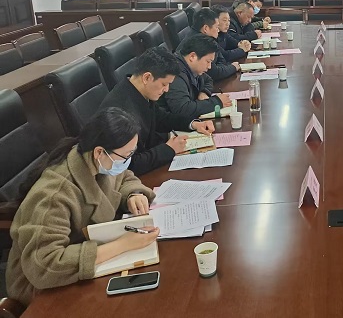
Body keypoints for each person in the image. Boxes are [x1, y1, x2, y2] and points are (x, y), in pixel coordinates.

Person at [7, 108, 159, 307]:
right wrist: (123, 244)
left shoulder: (95, 160)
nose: (127, 161)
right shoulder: (54, 195)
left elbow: (123, 177)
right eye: (126, 155)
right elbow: (45, 265)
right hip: (43, 287)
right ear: (99, 152)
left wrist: (134, 193)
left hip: (86, 256)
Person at [99, 47, 215, 175]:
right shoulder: (121, 112)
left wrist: (193, 124)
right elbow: (129, 165)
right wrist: (168, 149)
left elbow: (161, 118)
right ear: (147, 78)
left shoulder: (137, 90)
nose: (166, 90)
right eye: (164, 84)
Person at [159, 34, 233, 118]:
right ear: (192, 56)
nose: (209, 67)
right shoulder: (175, 73)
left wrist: (204, 92)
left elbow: (208, 80)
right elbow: (182, 109)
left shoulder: (192, 67)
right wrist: (217, 102)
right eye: (208, 61)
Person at [179, 7, 240, 81]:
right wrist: (233, 67)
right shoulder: (199, 42)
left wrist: (220, 67)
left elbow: (221, 59)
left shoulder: (208, 39)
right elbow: (214, 73)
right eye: (216, 27)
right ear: (206, 28)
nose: (218, 30)